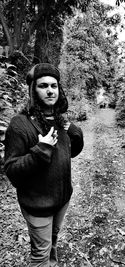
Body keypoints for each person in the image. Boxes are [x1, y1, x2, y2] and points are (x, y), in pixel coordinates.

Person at [4, 63, 84, 267]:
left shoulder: (59, 120)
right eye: (43, 86)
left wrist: (75, 133)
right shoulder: (20, 124)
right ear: (33, 90)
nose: (50, 90)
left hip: (62, 200)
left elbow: (70, 154)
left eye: (54, 86)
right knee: (40, 255)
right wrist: (41, 150)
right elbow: (12, 170)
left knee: (52, 243)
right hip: (37, 205)